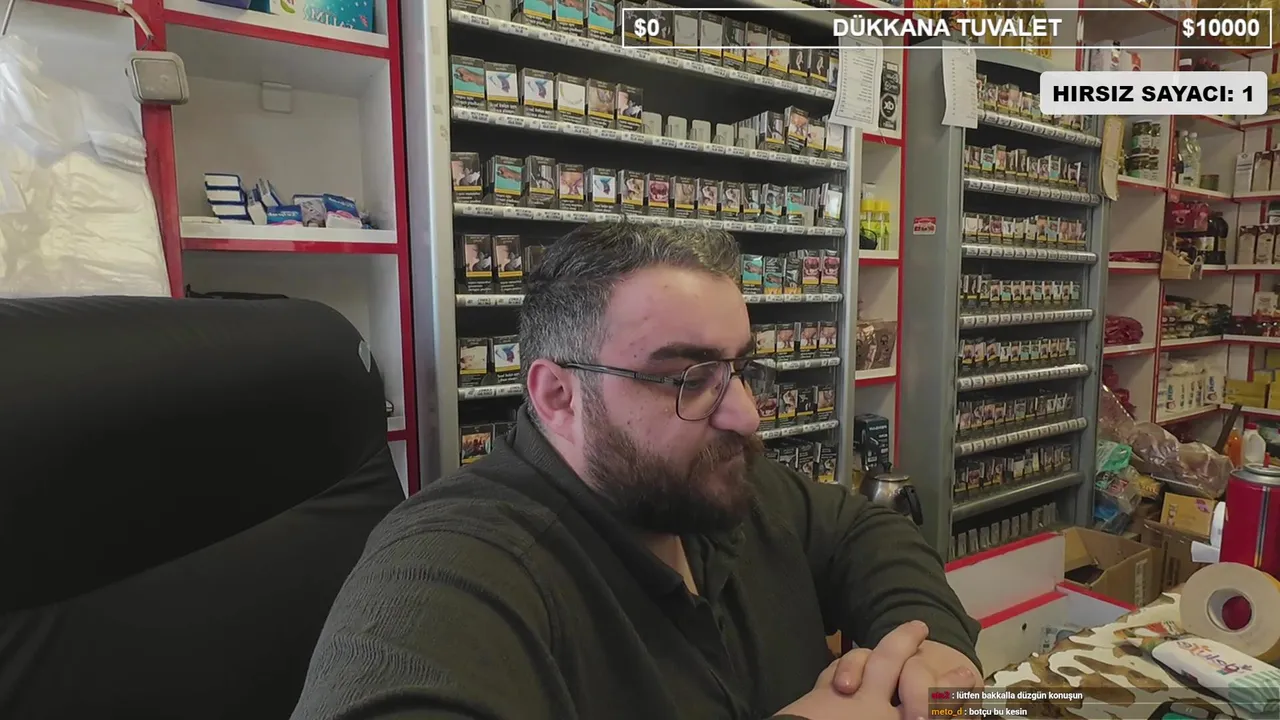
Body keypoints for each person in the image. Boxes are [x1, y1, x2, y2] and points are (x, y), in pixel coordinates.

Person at [292, 223, 982, 720]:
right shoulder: (451, 565)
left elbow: (862, 531)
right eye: (688, 378)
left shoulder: (709, 485)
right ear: (558, 396)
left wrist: (933, 657)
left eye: (740, 369)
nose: (745, 416)